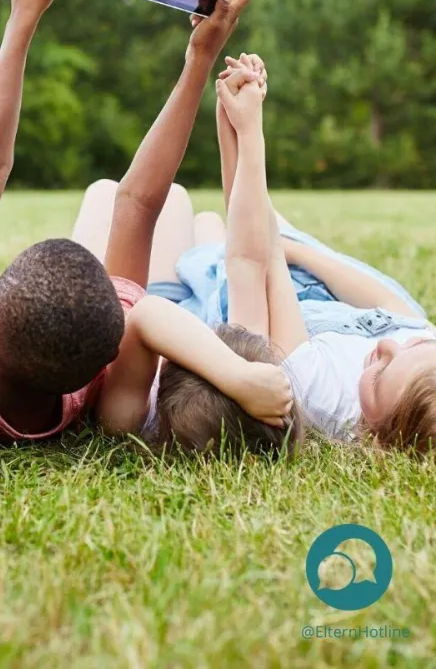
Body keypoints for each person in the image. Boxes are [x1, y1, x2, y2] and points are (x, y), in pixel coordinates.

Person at [0, 0, 284, 442]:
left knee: (131, 202)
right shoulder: (92, 388)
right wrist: (199, 58)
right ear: (108, 358)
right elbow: (138, 205)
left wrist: (22, 16)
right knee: (148, 202)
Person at [160, 54, 436, 451]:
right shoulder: (418, 362)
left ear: (370, 437)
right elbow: (388, 302)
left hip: (266, 309)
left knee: (209, 230)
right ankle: (220, 241)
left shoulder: (315, 390)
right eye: (414, 347)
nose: (387, 347)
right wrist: (302, 253)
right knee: (412, 315)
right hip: (317, 299)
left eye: (379, 374)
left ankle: (208, 243)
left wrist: (244, 129)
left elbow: (257, 256)